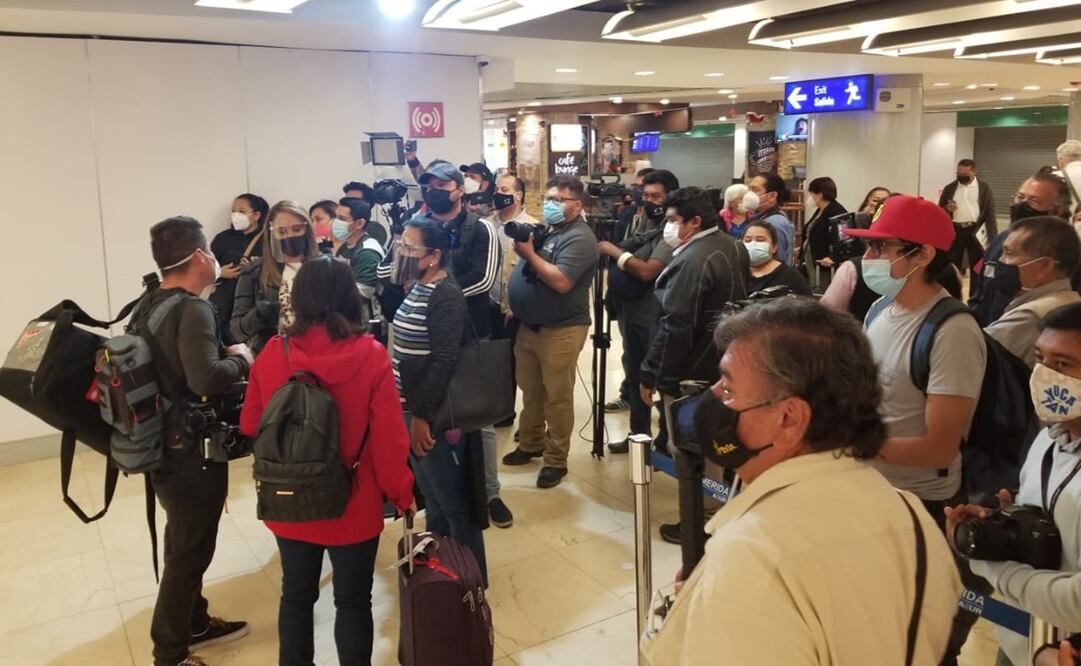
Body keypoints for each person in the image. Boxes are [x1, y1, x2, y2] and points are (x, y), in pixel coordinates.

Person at [643, 298, 962, 665]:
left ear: (789, 419)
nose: (711, 399)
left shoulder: (752, 555)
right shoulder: (912, 516)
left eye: (728, 390)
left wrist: (725, 596)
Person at [238, 257, 414, 666]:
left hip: (288, 498)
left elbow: (251, 423)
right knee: (353, 601)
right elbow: (389, 441)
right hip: (353, 502)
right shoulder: (370, 356)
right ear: (349, 296)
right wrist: (402, 494)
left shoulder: (273, 351)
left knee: (296, 596)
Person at [844, 195, 987, 664]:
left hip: (923, 507)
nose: (868, 260)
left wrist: (850, 446)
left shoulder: (952, 331)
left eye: (880, 248)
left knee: (920, 641)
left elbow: (938, 447)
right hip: (872, 495)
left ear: (922, 254)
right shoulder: (881, 310)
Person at [142, 216, 254, 666]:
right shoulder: (192, 309)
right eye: (209, 251)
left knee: (182, 539)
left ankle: (195, 621)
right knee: (189, 552)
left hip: (162, 445)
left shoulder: (150, 301)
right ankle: (169, 654)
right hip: (190, 453)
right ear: (200, 257)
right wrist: (243, 359)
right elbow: (206, 377)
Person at [946, 301, 1081, 666]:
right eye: (1040, 359)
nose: (1043, 375)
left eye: (1063, 365)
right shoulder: (1049, 438)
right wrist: (1002, 521)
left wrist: (992, 569)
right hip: (1024, 636)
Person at [640, 187, 749, 542]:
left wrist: (654, 373)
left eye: (673, 220)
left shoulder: (693, 259)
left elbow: (676, 324)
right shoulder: (732, 245)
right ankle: (716, 507)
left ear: (695, 221)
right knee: (715, 446)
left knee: (688, 447)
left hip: (691, 371)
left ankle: (701, 517)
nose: (668, 227)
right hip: (722, 362)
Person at [392, 217, 488, 584]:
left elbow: (445, 359)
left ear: (433, 256)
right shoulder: (416, 284)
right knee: (432, 496)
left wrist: (421, 417)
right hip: (411, 404)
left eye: (410, 248)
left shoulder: (445, 294)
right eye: (402, 244)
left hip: (432, 413)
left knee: (452, 502)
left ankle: (471, 584)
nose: (403, 252)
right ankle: (441, 572)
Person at [501, 175, 599, 488]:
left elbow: (561, 281)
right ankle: (531, 443)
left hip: (562, 329)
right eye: (549, 197)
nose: (551, 204)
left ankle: (556, 459)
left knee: (557, 397)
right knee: (531, 391)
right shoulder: (549, 228)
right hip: (529, 326)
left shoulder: (580, 238)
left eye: (559, 200)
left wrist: (529, 253)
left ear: (577, 205)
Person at [598, 169, 680, 454]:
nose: (648, 201)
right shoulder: (641, 220)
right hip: (631, 311)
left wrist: (615, 253)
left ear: (670, 197)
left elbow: (647, 271)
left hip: (658, 315)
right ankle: (638, 436)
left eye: (656, 196)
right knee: (633, 375)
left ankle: (667, 441)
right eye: (645, 195)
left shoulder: (672, 229)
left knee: (661, 379)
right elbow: (628, 249)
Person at [970, 169, 1077, 327]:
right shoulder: (1001, 241)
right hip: (989, 336)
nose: (1022, 205)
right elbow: (979, 295)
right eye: (1020, 197)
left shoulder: (1070, 254)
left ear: (1057, 211)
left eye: (1034, 201)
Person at [984, 216, 1081, 366]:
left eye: (1009, 254)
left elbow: (967, 354)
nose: (1000, 261)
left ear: (1044, 265)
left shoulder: (1032, 316)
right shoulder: (1070, 301)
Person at [231, 200, 321, 355]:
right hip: (271, 359)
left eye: (297, 229)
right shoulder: (255, 271)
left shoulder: (325, 269)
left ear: (307, 231)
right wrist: (261, 312)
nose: (290, 236)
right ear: (272, 234)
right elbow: (237, 331)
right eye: (282, 231)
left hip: (318, 356)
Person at [209, 193, 268, 343]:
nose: (235, 215)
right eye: (233, 211)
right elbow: (203, 269)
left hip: (254, 303)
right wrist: (219, 272)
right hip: (225, 307)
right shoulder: (222, 239)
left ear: (256, 215)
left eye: (241, 211)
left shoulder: (268, 239)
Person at [938, 159, 997, 273]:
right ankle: (953, 290)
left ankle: (975, 291)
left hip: (975, 230)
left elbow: (990, 214)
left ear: (974, 172)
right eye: (958, 174)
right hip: (955, 230)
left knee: (976, 266)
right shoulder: (950, 188)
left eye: (965, 174)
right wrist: (947, 209)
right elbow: (940, 210)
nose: (961, 176)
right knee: (952, 264)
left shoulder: (984, 189)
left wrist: (992, 238)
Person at [334, 197, 385, 318]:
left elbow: (363, 294)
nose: (336, 223)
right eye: (336, 217)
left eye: (341, 219)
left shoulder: (368, 252)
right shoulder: (345, 247)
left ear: (359, 223)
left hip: (364, 321)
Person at [801, 176, 846, 291]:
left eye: (812, 194)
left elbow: (843, 238)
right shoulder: (820, 211)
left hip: (824, 265)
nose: (810, 197)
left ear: (820, 194)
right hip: (811, 259)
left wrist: (833, 257)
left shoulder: (837, 212)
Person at [743, 222, 811, 296]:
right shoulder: (735, 274)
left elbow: (807, 305)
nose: (753, 244)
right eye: (748, 240)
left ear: (774, 247)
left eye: (760, 240)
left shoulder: (791, 277)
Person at [747, 172, 794, 265]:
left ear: (772, 196)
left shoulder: (774, 224)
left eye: (755, 190)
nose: (749, 195)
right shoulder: (761, 218)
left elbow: (776, 261)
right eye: (749, 190)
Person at [340, 181, 389, 247]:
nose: (347, 204)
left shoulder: (375, 230)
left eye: (354, 201)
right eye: (346, 201)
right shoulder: (339, 225)